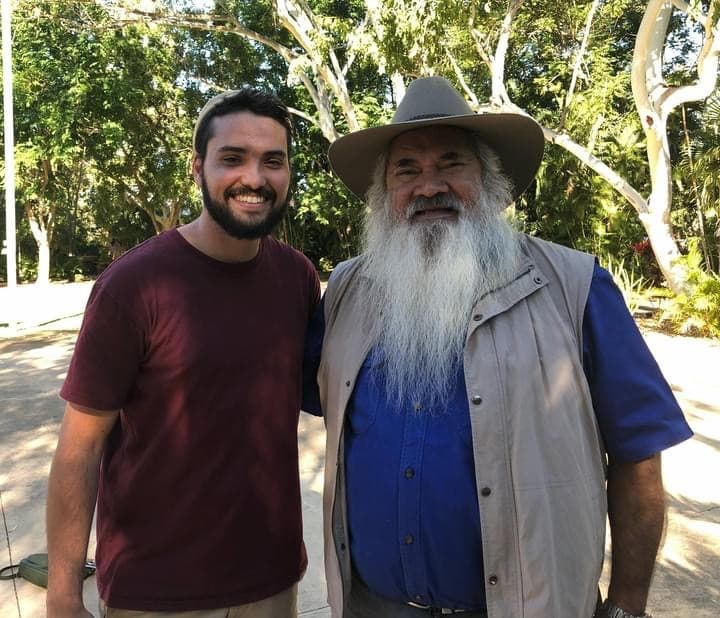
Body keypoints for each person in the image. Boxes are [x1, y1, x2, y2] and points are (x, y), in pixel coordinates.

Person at [304, 76, 693, 618]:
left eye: (451, 163)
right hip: (373, 605)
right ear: (383, 193)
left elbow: (638, 454)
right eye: (407, 170)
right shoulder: (348, 290)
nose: (428, 186)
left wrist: (627, 602)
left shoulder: (574, 287)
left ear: (491, 183)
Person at [46, 88, 320, 617]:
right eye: (232, 158)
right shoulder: (134, 285)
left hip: (270, 581)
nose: (255, 178)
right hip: (154, 590)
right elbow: (79, 448)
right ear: (198, 168)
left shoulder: (297, 276)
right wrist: (61, 594)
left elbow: (331, 395)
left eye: (273, 161)